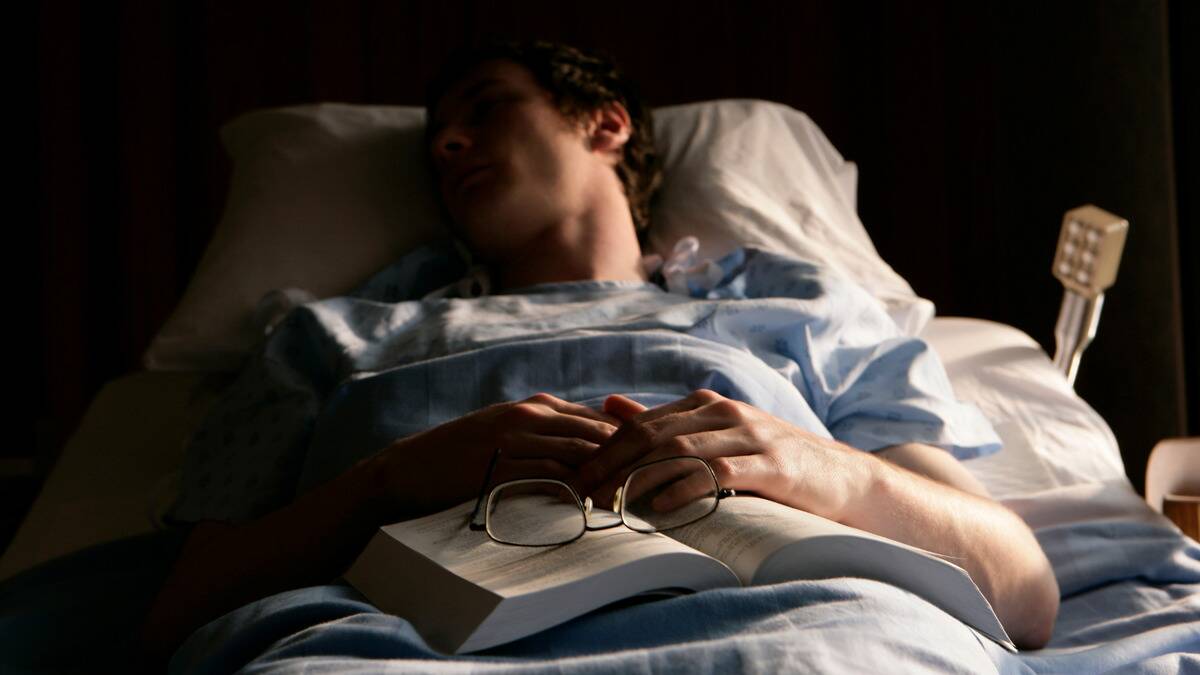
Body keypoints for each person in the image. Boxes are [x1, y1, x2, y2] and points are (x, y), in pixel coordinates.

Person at [138, 39, 1059, 668]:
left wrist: (823, 466)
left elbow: (1024, 590)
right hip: (395, 637)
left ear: (605, 124)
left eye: (485, 109)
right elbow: (174, 613)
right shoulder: (329, 336)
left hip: (800, 626)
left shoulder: (797, 312)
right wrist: (388, 479)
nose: (449, 144)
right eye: (434, 145)